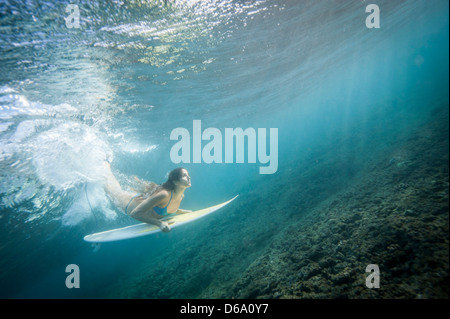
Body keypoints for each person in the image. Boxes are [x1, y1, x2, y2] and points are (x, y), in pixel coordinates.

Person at [103, 163, 191, 232]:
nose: (188, 177)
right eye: (184, 175)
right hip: (128, 204)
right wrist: (159, 223)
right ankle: (103, 168)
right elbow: (135, 213)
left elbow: (169, 209)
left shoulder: (180, 196)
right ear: (175, 182)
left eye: (188, 175)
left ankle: (105, 168)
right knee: (112, 189)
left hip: (140, 200)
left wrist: (184, 212)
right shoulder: (164, 195)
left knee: (116, 188)